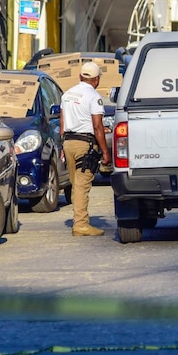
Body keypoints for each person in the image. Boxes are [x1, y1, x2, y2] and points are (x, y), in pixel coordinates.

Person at [59, 61, 111, 236]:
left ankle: (78, 218)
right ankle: (81, 224)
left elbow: (62, 124)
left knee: (75, 184)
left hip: (68, 143)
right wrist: (105, 152)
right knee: (82, 185)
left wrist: (62, 146)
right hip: (85, 145)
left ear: (80, 76)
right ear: (96, 80)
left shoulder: (66, 95)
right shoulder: (93, 97)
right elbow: (97, 127)